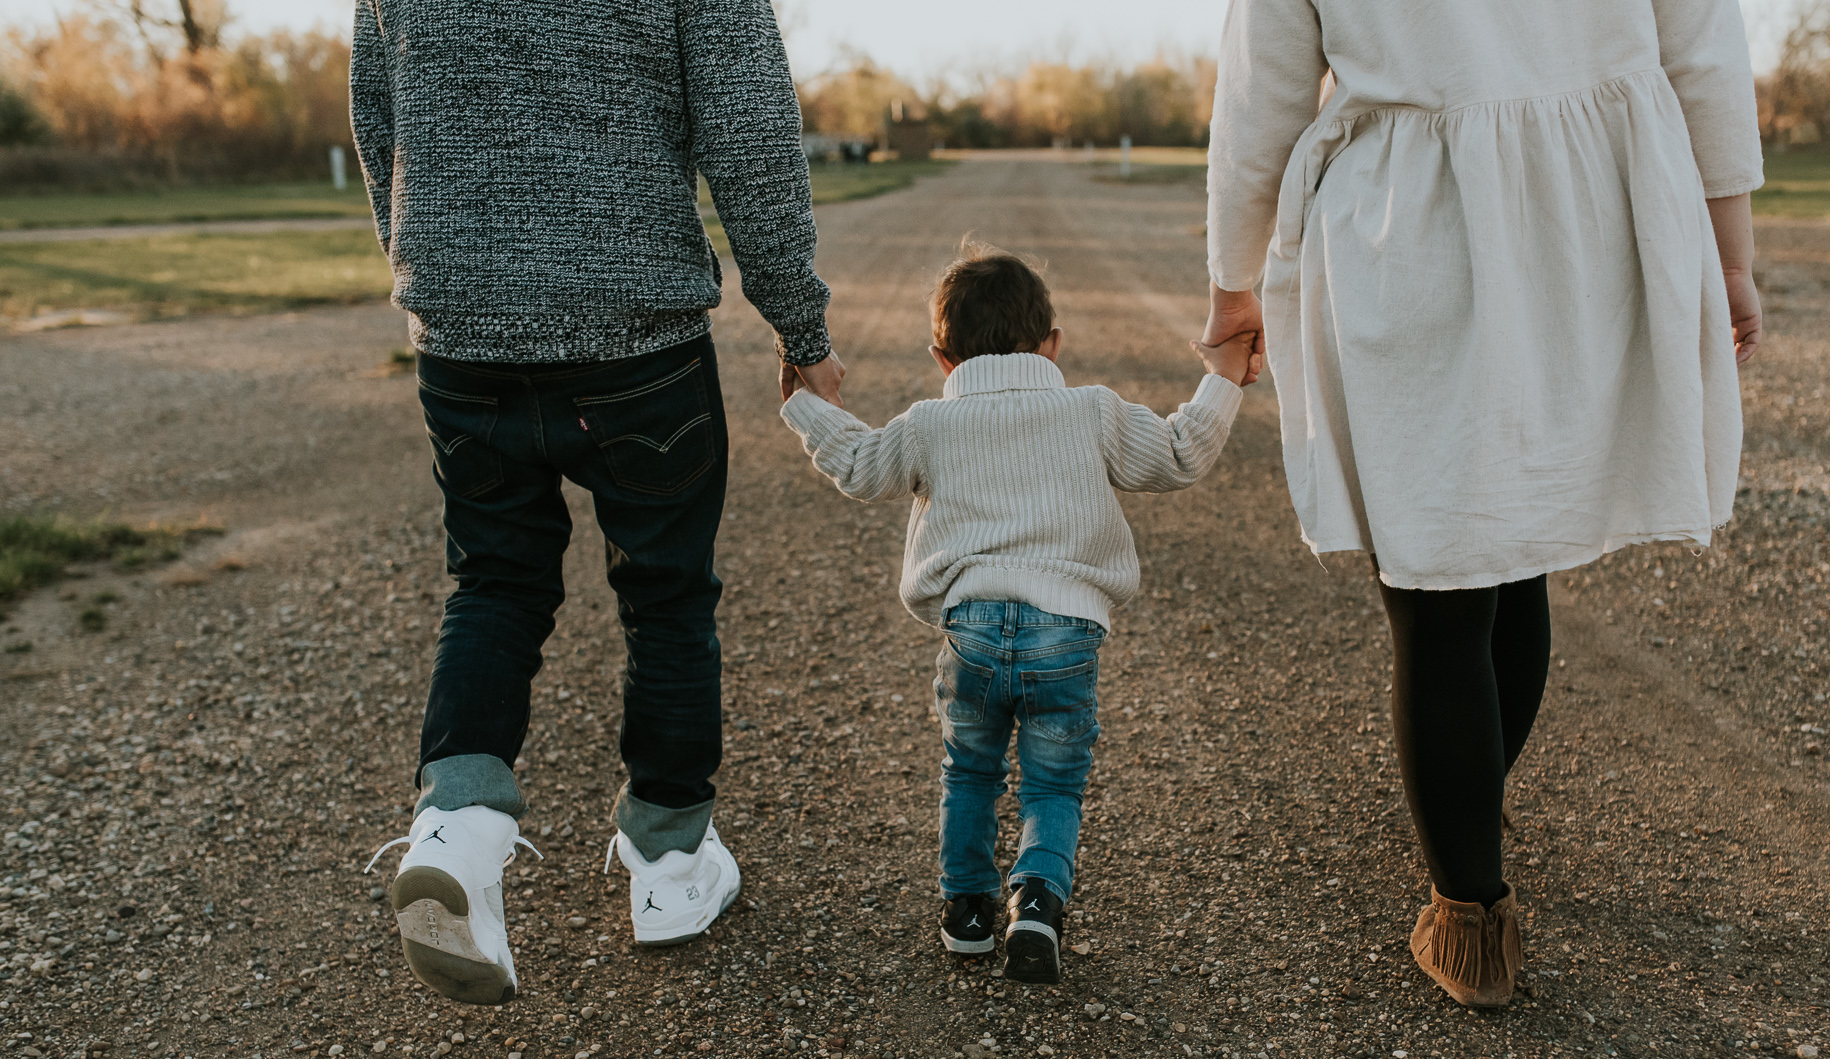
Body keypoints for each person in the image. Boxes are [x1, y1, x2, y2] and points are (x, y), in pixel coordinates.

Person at [1203, 0, 1764, 1006]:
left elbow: (1261, 97)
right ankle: (1463, 813)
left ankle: (1470, 919)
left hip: (1410, 229)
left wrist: (1230, 281)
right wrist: (1729, 249)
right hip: (1580, 222)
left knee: (1437, 575)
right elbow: (1703, 54)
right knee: (1509, 548)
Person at [351, 0, 845, 1005]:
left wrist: (431, 273)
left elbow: (378, 117)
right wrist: (799, 326)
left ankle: (457, 828)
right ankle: (667, 866)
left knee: (493, 580)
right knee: (665, 595)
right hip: (637, 339)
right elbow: (747, 128)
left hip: (463, 335)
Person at [781, 246, 1259, 983]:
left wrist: (808, 403)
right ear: (1052, 344)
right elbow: (1180, 451)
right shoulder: (1091, 409)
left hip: (969, 631)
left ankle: (967, 909)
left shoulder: (927, 424)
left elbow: (858, 463)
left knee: (969, 771)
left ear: (944, 358)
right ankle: (1037, 897)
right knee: (1053, 784)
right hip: (1065, 634)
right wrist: (1223, 374)